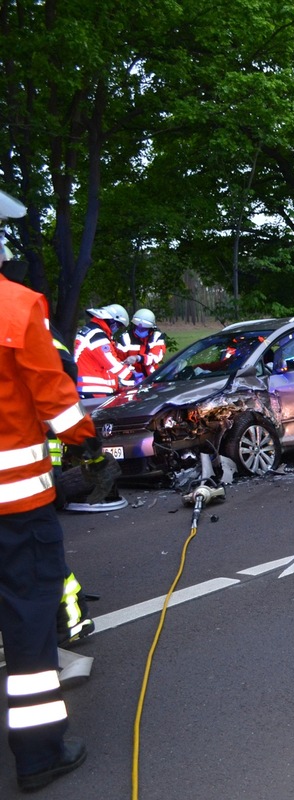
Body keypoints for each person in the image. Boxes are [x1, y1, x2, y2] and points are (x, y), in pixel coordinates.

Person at [1, 191, 100, 791]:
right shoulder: (15, 308)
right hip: (15, 509)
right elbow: (56, 403)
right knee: (29, 624)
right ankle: (40, 755)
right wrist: (87, 440)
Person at [74, 304, 133, 399]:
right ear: (111, 320)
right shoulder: (97, 335)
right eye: (118, 325)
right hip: (93, 389)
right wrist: (131, 376)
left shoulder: (93, 331)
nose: (117, 328)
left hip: (88, 389)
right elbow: (110, 362)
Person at [118, 308, 167, 382]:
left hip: (152, 378)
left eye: (143, 329)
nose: (140, 330)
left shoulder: (157, 337)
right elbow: (118, 359)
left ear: (151, 328)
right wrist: (131, 372)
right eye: (138, 327)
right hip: (131, 379)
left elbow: (155, 357)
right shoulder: (125, 338)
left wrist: (138, 358)